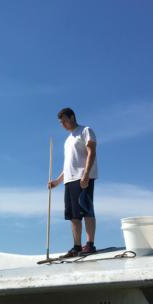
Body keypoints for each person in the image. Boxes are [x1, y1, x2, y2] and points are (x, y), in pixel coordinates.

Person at [48, 107, 98, 257]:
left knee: (86, 210)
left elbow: (92, 152)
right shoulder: (68, 139)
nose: (62, 124)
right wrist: (57, 181)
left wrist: (86, 175)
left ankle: (90, 244)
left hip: (82, 178)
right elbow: (68, 164)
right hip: (69, 180)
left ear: (72, 117)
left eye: (64, 121)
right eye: (60, 122)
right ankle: (76, 246)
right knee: (73, 215)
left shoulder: (85, 130)